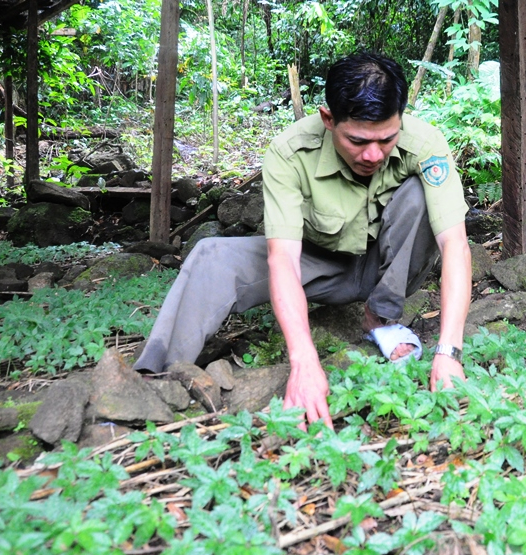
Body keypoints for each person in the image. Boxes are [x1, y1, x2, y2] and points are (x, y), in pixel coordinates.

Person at [134, 52, 472, 429]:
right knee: (210, 254)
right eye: (358, 141)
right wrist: (304, 360)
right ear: (328, 119)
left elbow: (454, 245)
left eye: (386, 139)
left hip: (388, 267)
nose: (373, 154)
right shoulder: (289, 152)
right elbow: (282, 259)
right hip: (319, 266)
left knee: (419, 197)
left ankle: (380, 320)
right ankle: (155, 378)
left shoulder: (426, 144)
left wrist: (449, 351)